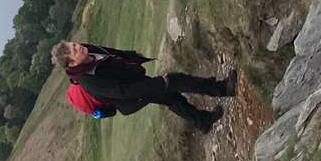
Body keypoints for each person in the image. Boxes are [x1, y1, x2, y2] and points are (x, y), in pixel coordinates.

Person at [53, 40, 235, 131]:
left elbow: (112, 53)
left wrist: (132, 56)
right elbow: (122, 92)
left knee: (170, 98)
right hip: (133, 96)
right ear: (72, 64)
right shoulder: (88, 81)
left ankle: (202, 122)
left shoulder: (87, 50)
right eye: (74, 50)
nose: (78, 46)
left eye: (73, 44)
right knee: (175, 81)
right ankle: (222, 88)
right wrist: (157, 83)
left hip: (135, 82)